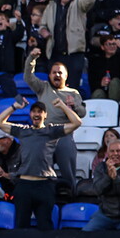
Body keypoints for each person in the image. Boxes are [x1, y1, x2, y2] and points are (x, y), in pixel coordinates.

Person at [0, 97, 81, 230]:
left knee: (45, 226)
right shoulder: (22, 130)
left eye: (40, 111)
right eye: (34, 111)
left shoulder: (52, 131)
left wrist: (62, 106)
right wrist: (14, 107)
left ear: (45, 115)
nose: (36, 114)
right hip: (24, 185)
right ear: (30, 114)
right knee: (21, 226)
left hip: (45, 185)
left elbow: (77, 123)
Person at [23, 49, 86, 190]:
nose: (57, 75)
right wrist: (32, 58)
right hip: (45, 134)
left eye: (60, 73)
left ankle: (71, 194)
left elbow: (82, 113)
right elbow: (27, 77)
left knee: (68, 170)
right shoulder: (43, 88)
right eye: (54, 72)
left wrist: (73, 105)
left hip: (64, 133)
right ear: (49, 75)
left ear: (66, 76)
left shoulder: (73, 93)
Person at [82, 140, 120, 232]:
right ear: (107, 153)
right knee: (86, 232)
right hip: (105, 214)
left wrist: (116, 179)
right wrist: (108, 177)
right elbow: (97, 190)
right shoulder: (100, 168)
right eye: (112, 151)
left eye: (118, 151)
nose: (115, 154)